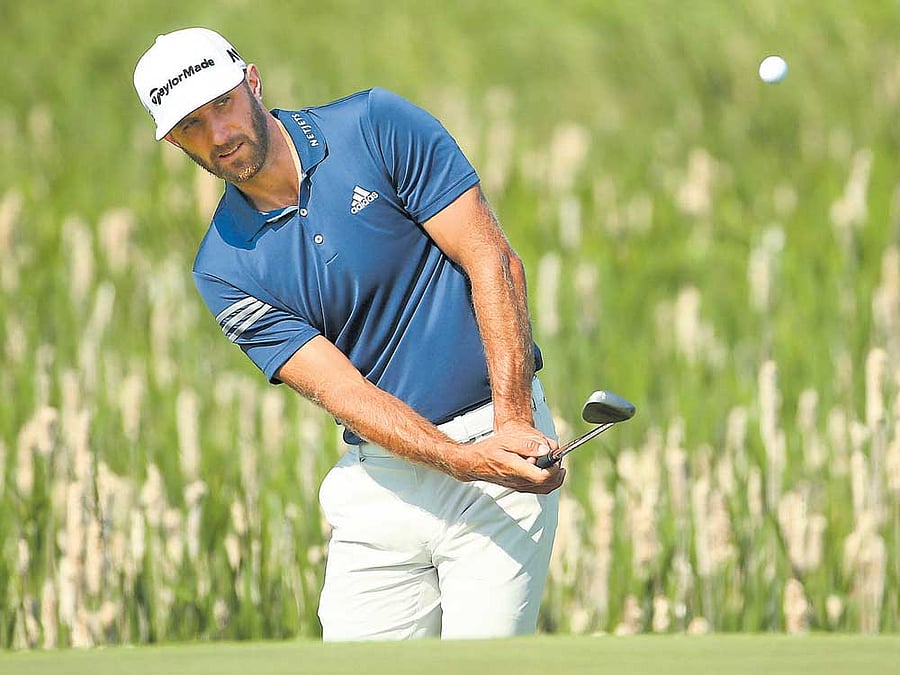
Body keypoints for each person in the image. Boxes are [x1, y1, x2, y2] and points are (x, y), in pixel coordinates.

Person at [133, 27, 565, 641]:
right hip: (381, 482)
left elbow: (492, 261)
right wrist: (458, 462)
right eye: (191, 127)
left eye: (222, 105)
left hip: (496, 441)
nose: (219, 136)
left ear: (252, 81)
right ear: (174, 141)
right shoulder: (223, 266)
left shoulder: (374, 125)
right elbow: (343, 392)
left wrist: (515, 423)